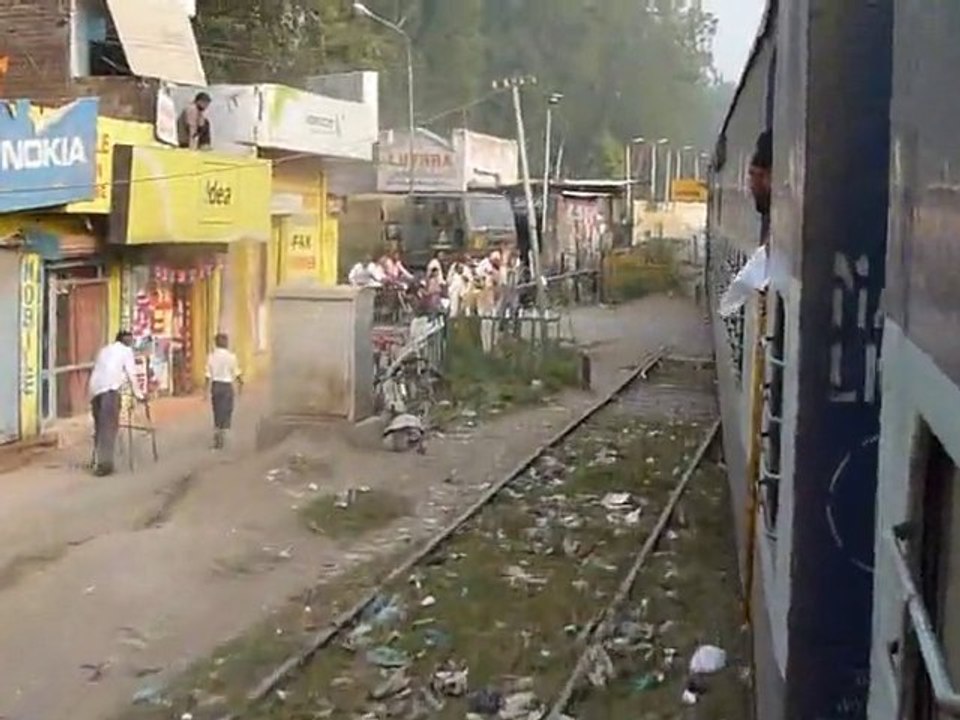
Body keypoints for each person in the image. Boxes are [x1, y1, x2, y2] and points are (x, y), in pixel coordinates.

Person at [88, 330, 144, 476]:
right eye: (129, 340)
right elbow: (132, 373)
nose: (130, 343)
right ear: (125, 341)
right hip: (109, 390)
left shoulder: (105, 349)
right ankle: (104, 464)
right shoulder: (126, 351)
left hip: (95, 390)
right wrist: (139, 395)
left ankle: (97, 459)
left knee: (100, 426)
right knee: (109, 427)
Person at [205, 333, 243, 449]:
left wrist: (205, 390)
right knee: (227, 410)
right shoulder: (231, 357)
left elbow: (207, 374)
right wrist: (240, 384)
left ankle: (218, 435)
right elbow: (236, 372)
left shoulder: (211, 356)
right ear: (225, 343)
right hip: (226, 386)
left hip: (216, 386)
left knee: (217, 411)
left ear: (216, 343)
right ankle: (224, 434)